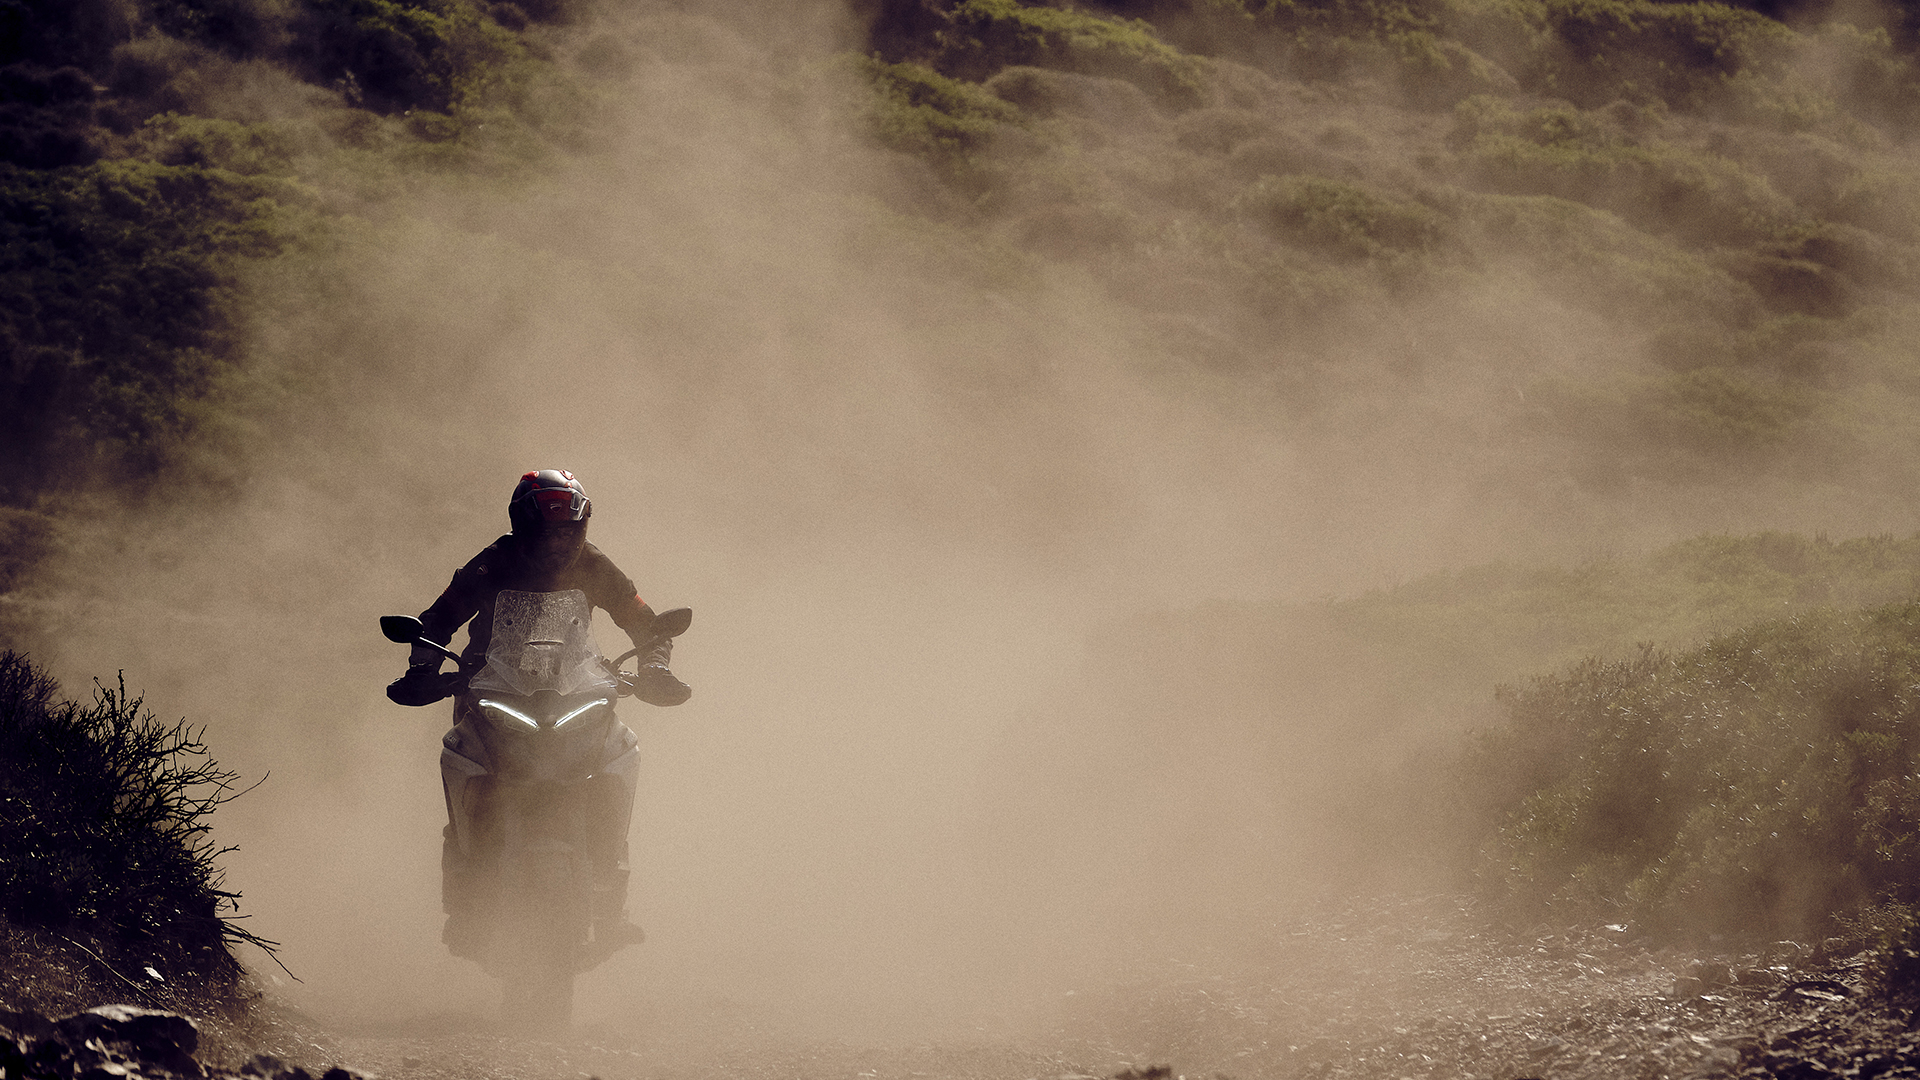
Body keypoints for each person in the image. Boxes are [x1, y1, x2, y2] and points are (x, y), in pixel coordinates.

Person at [385, 469, 690, 957]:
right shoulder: (492, 562)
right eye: (546, 533)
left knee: (618, 751)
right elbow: (438, 618)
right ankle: (466, 896)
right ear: (521, 528)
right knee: (463, 757)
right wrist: (423, 666)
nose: (557, 543)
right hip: (490, 688)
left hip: (575, 689)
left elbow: (645, 622)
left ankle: (611, 898)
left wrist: (655, 667)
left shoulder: (596, 566)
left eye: (567, 532)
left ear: (582, 529)